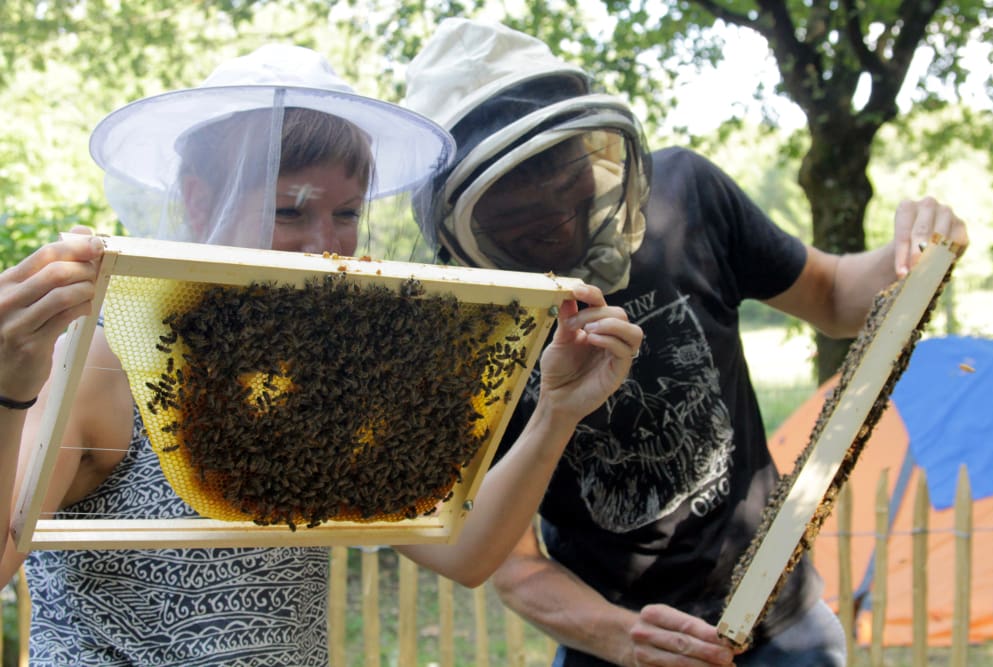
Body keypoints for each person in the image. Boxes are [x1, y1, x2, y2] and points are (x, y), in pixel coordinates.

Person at [0, 43, 644, 665]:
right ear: (200, 201)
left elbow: (467, 556)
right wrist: (10, 385)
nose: (323, 244)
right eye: (288, 211)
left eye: (346, 212)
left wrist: (556, 412)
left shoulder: (323, 376)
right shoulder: (101, 362)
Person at [403, 18, 970, 667]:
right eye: (521, 215)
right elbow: (510, 562)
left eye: (566, 182)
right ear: (457, 223)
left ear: (591, 148)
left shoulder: (686, 195)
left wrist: (913, 251)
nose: (560, 220)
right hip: (614, 645)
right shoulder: (457, 331)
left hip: (783, 627)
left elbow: (836, 295)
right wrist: (624, 636)